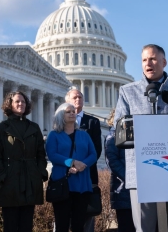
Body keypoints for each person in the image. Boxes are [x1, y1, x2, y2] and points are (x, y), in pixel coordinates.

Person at [113, 44, 168, 232]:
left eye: (153, 59)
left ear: (164, 62)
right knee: (144, 228)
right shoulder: (128, 91)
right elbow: (119, 128)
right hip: (141, 171)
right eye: (144, 60)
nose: (148, 63)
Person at [0, 91, 48, 232]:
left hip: (30, 180)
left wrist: (39, 172)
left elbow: (41, 154)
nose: (21, 104)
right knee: (10, 225)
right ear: (9, 104)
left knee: (26, 225)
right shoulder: (1, 128)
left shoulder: (34, 127)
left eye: (23, 101)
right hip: (10, 180)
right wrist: (2, 176)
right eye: (17, 101)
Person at [46, 103, 97, 232]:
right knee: (61, 224)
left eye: (73, 111)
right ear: (60, 115)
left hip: (82, 183)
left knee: (79, 224)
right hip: (62, 183)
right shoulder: (54, 135)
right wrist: (72, 162)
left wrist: (82, 165)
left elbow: (93, 154)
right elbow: (52, 155)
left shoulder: (84, 135)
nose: (72, 113)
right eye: (68, 112)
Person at [65, 89, 102, 232]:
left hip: (87, 175)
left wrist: (81, 166)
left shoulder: (93, 122)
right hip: (66, 175)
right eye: (74, 97)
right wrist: (70, 164)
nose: (78, 99)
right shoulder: (59, 122)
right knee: (64, 217)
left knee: (87, 216)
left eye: (80, 97)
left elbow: (97, 150)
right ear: (67, 100)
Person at [105, 109, 135, 232]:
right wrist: (130, 178)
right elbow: (112, 161)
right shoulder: (112, 136)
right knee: (126, 225)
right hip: (122, 187)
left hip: (131, 186)